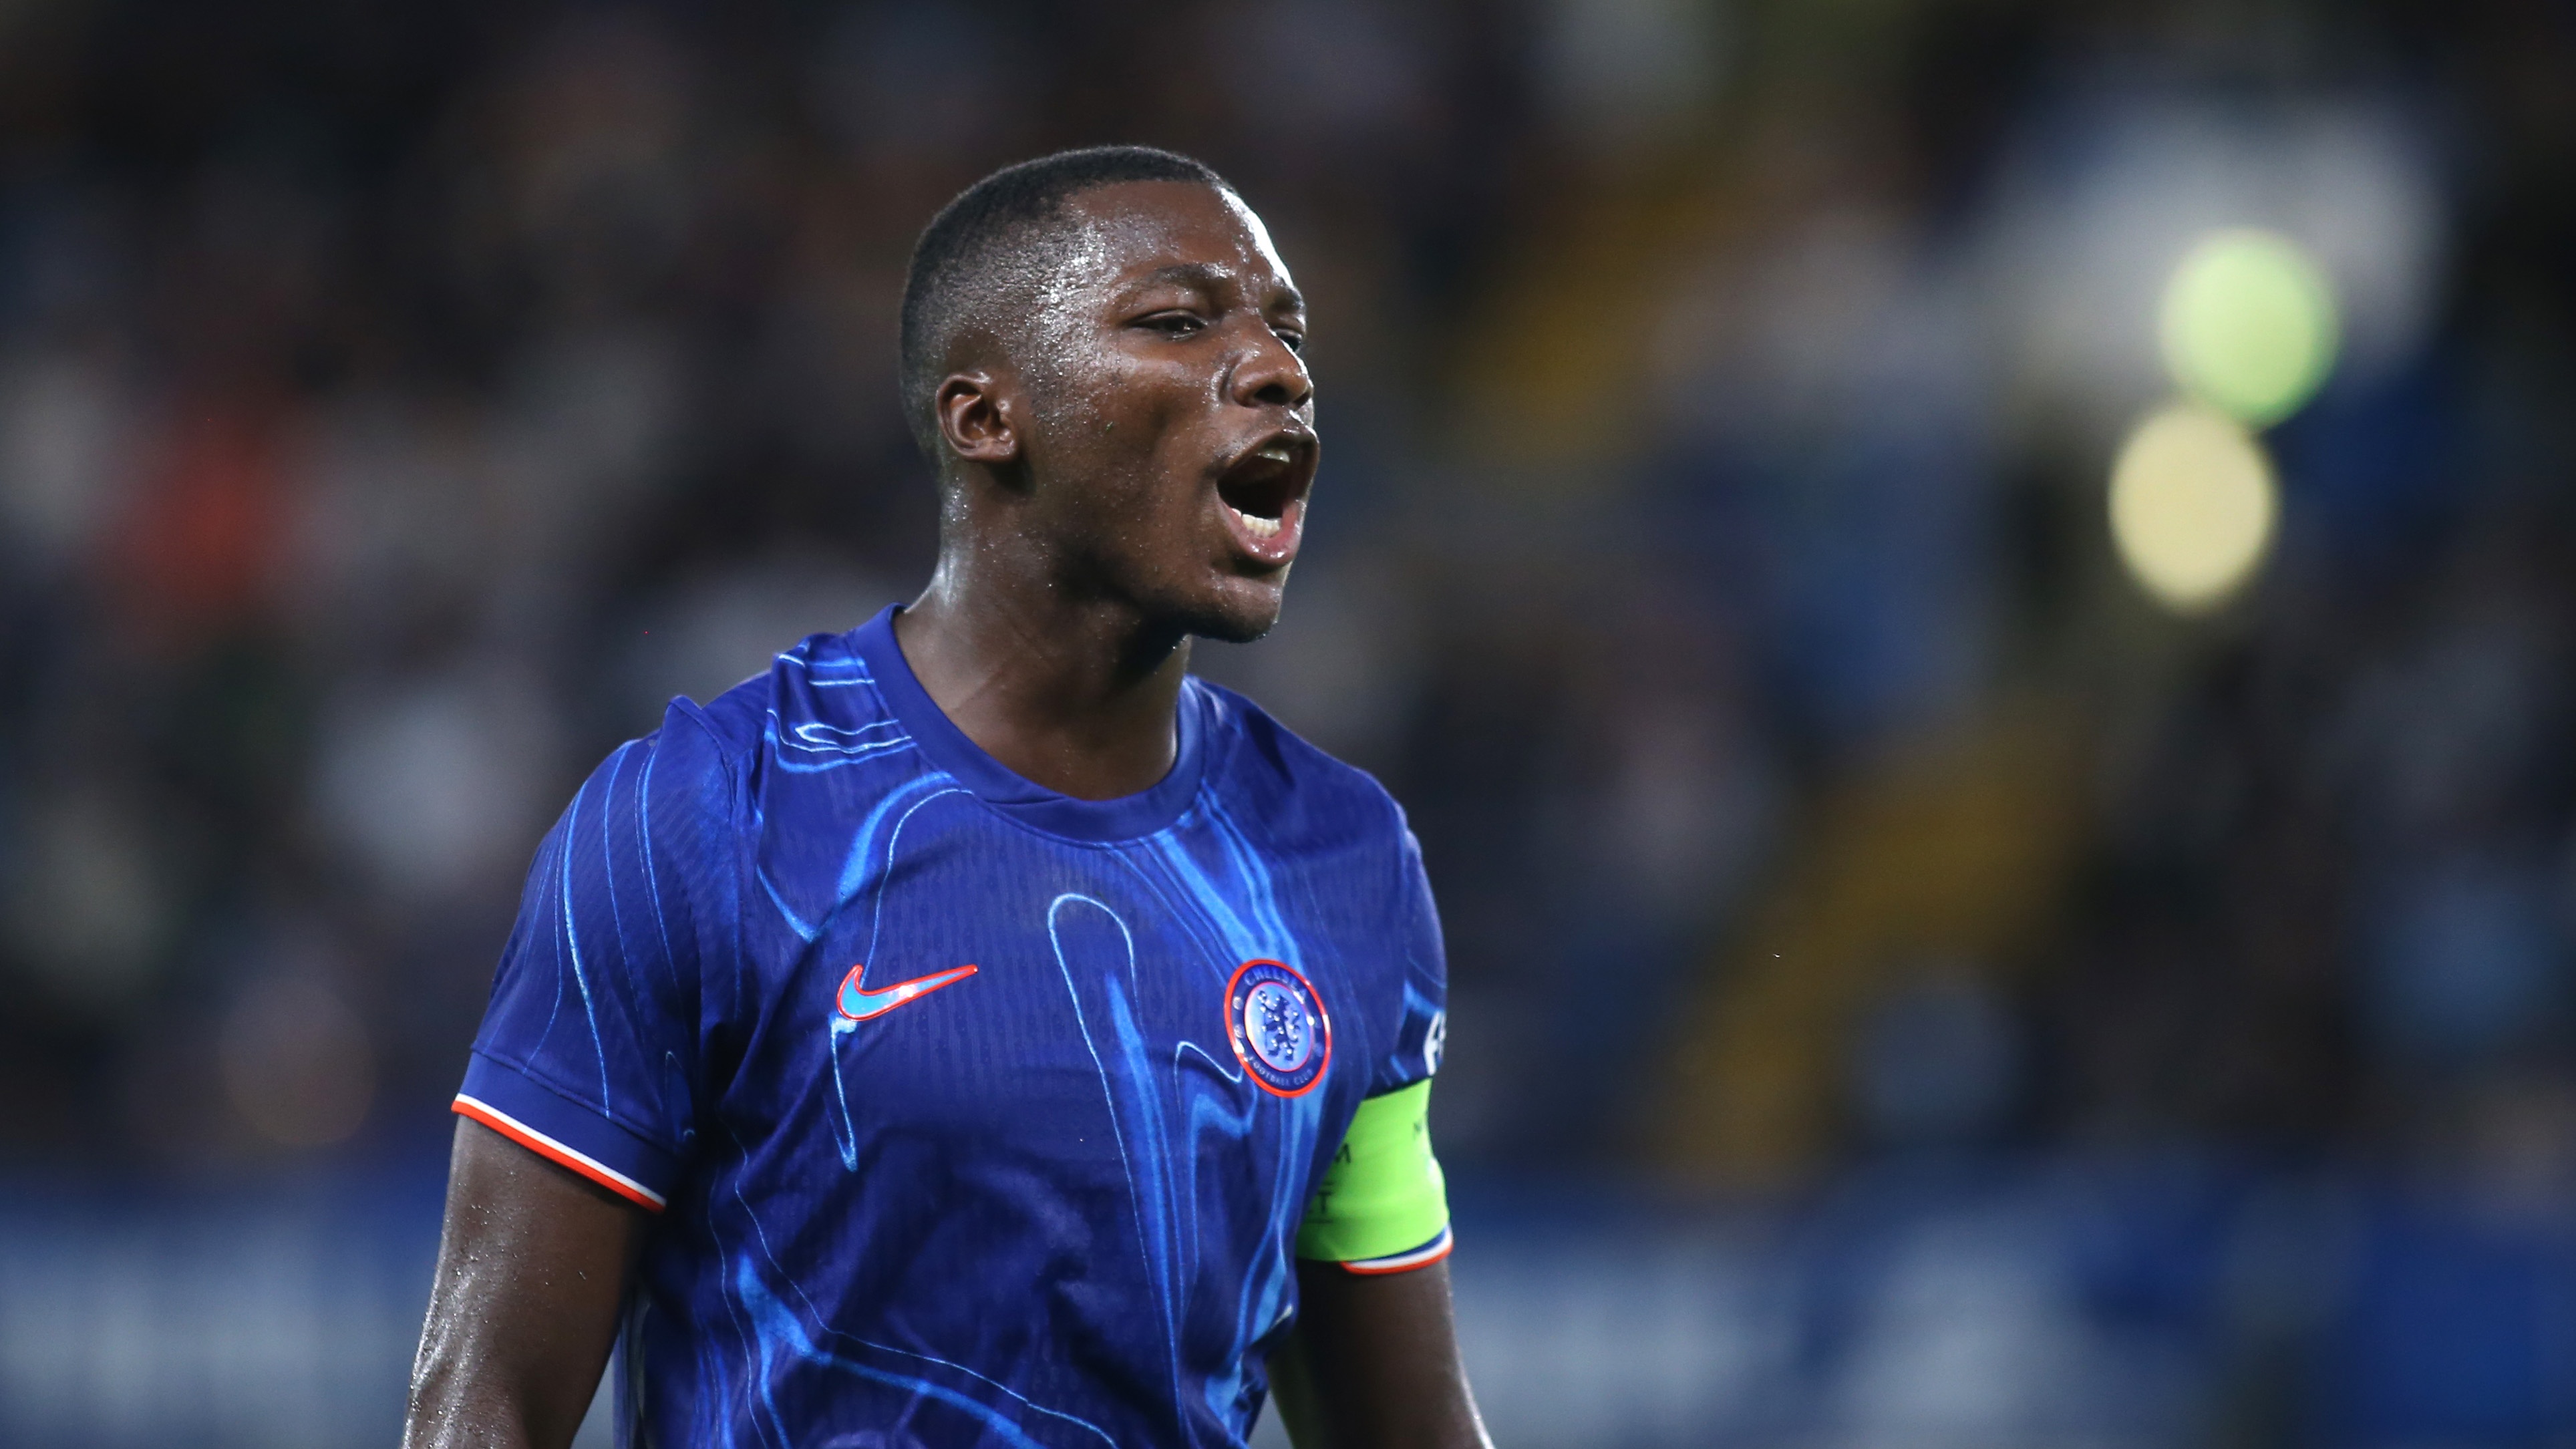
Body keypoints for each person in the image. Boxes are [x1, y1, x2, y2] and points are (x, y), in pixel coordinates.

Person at [402, 146, 1489, 1449]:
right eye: (1178, 321)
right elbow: (489, 1403)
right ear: (986, 418)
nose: (1276, 368)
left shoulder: (1344, 856)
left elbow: (1408, 1428)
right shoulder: (705, 818)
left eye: (1287, 332)